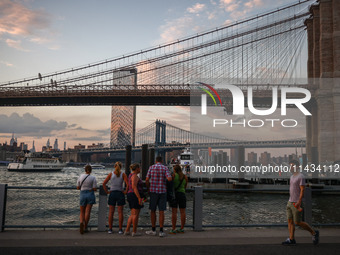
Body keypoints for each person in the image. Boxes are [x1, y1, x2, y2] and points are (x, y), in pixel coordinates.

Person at [282, 159, 319, 245]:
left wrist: (299, 202)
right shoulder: (291, 177)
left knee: (297, 222)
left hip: (296, 202)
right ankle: (291, 239)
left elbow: (302, 190)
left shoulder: (301, 176)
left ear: (297, 167)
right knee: (290, 221)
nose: (291, 167)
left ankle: (314, 232)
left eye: (292, 166)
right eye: (290, 166)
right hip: (290, 202)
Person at [145, 156, 172, 237]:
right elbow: (169, 179)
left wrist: (148, 187)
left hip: (153, 191)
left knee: (152, 211)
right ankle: (161, 230)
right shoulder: (165, 168)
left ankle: (153, 229)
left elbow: (146, 179)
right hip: (162, 191)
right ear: (162, 161)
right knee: (161, 211)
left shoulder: (151, 167)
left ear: (155, 161)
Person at [103, 161, 128, 234]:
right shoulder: (123, 174)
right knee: (120, 212)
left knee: (111, 212)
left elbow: (104, 183)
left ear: (114, 166)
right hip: (120, 193)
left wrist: (107, 191)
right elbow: (128, 184)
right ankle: (120, 229)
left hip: (112, 193)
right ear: (121, 167)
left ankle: (110, 229)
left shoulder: (111, 174)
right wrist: (126, 191)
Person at [77, 165, 97, 234]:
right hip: (90, 194)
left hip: (82, 194)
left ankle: (81, 223)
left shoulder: (80, 176)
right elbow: (95, 188)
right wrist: (91, 188)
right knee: (87, 212)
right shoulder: (93, 178)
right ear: (91, 170)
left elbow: (78, 187)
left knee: (82, 211)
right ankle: (85, 227)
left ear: (85, 170)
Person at [125, 163, 144, 237]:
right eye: (139, 168)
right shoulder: (135, 176)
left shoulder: (130, 175)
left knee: (132, 214)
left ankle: (127, 230)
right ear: (137, 169)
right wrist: (139, 197)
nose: (140, 169)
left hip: (130, 194)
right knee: (136, 214)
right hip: (134, 195)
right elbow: (134, 187)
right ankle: (134, 231)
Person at [169, 164, 188, 234]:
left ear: (174, 170)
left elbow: (170, 185)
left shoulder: (173, 176)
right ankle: (182, 228)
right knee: (183, 212)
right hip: (182, 194)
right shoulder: (185, 177)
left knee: (174, 212)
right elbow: (185, 186)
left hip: (175, 195)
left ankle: (173, 229)